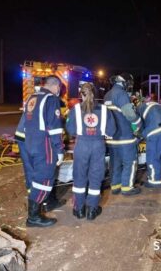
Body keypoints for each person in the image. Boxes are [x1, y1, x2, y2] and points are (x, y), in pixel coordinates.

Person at [66, 83, 116, 220]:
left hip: (81, 144)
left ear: (81, 94)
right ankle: (91, 210)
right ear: (95, 93)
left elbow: (70, 129)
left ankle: (79, 209)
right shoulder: (105, 110)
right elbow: (112, 130)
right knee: (96, 176)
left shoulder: (75, 109)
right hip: (98, 145)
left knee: (79, 176)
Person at [21, 75, 65, 227]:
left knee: (36, 176)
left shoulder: (32, 97)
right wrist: (59, 149)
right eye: (59, 87)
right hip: (43, 144)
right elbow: (54, 127)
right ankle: (33, 217)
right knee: (45, 178)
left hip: (30, 143)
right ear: (56, 86)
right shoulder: (51, 99)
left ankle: (41, 207)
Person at [104, 73, 142, 195]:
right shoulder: (121, 94)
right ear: (125, 83)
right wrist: (139, 123)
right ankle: (127, 187)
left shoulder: (107, 95)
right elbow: (130, 114)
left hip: (111, 138)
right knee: (130, 162)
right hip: (125, 137)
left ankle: (115, 186)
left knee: (115, 163)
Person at [135, 101, 161, 187]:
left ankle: (154, 181)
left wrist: (138, 137)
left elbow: (139, 126)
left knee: (152, 156)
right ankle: (157, 174)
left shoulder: (138, 110)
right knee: (159, 153)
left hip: (155, 129)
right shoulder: (151, 104)